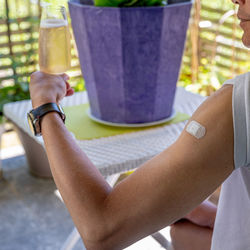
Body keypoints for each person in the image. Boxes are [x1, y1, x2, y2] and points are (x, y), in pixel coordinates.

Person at [28, 0, 249, 248]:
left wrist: (45, 106)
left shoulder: (239, 102)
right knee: (183, 232)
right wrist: (221, 218)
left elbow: (101, 229)